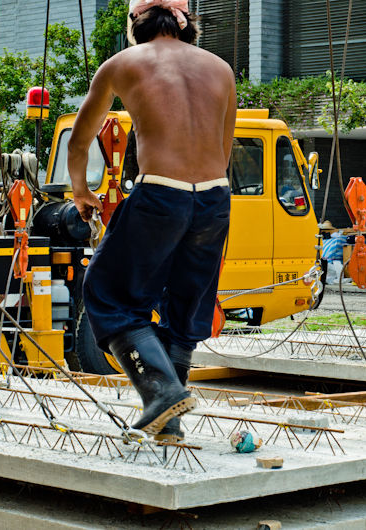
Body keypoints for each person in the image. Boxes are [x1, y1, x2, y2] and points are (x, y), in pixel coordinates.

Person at [68, 0, 236, 438]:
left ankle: (160, 392)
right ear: (186, 25)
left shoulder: (121, 64)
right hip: (217, 198)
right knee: (187, 302)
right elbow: (225, 146)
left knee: (107, 292)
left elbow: (80, 140)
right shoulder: (221, 68)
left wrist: (82, 192)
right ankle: (170, 418)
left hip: (161, 192)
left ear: (135, 26)